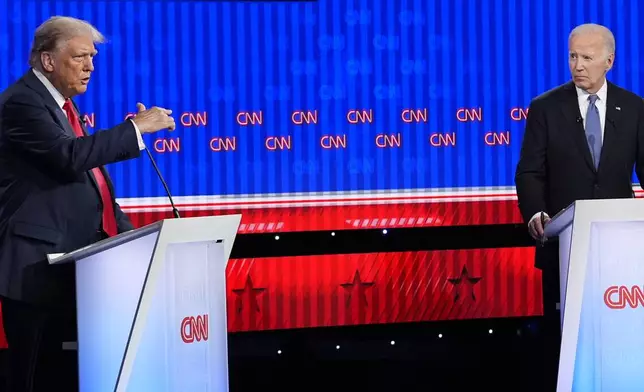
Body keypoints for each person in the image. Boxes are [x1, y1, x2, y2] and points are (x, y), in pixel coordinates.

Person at [0, 16, 176, 391]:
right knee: (32, 379)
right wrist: (136, 129)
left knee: (68, 376)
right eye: (80, 57)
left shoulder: (62, 106)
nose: (91, 67)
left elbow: (89, 184)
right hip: (35, 270)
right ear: (48, 60)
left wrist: (135, 239)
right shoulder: (21, 103)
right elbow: (69, 157)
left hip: (72, 268)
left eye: (92, 57)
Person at [515, 23, 644, 389]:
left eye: (587, 57)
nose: (578, 65)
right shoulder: (544, 108)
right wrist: (535, 213)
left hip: (623, 254)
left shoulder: (634, 108)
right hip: (563, 247)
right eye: (573, 56)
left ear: (609, 60)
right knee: (563, 344)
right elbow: (528, 171)